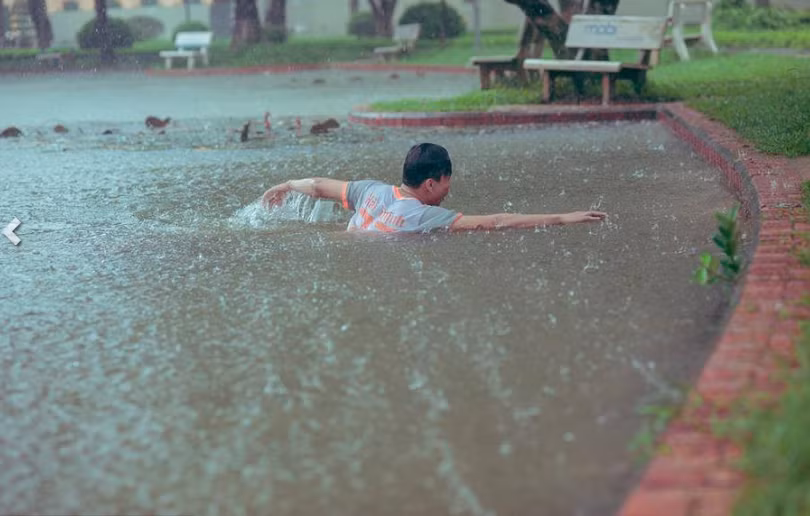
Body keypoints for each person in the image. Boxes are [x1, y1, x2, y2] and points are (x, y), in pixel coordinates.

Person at [261, 142, 607, 232]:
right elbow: (496, 222)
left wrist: (286, 185)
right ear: (430, 183)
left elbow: (319, 185)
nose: (448, 190)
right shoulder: (423, 216)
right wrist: (563, 217)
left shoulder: (371, 191)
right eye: (446, 183)